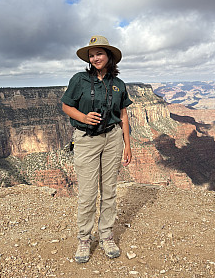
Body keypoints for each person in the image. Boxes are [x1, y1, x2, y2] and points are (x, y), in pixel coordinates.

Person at [61, 35, 132, 263]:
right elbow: (65, 105)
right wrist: (84, 117)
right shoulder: (79, 79)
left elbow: (123, 115)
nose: (95, 58)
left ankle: (106, 235)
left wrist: (127, 145)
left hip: (113, 138)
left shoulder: (118, 84)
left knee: (109, 190)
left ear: (109, 56)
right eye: (91, 55)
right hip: (86, 139)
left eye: (99, 53)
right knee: (88, 193)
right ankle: (84, 239)